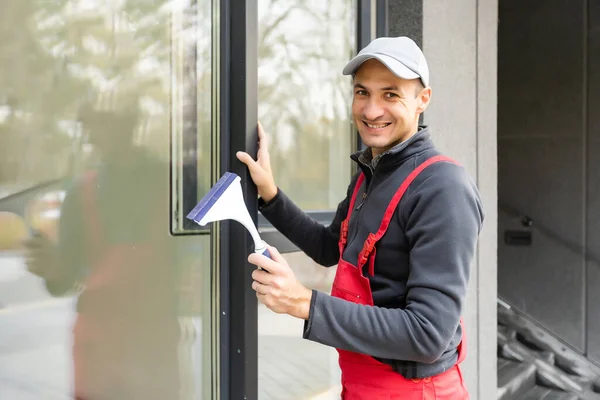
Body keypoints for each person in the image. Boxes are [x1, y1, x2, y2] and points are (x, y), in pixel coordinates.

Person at [237, 36, 484, 399]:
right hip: (361, 386)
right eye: (362, 92)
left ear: (422, 101)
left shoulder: (443, 188)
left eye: (390, 94)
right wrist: (270, 194)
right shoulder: (371, 174)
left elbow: (428, 335)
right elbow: (328, 248)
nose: (370, 111)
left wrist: (303, 303)